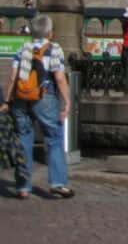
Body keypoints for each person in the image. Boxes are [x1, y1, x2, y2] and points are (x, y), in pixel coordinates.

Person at [1, 14, 74, 199]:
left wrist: (6, 101)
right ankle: (58, 182)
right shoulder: (53, 49)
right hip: (44, 97)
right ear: (49, 33)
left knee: (23, 139)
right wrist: (66, 101)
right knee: (54, 137)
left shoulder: (22, 49)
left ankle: (23, 186)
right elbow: (59, 77)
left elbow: (12, 77)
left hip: (20, 99)